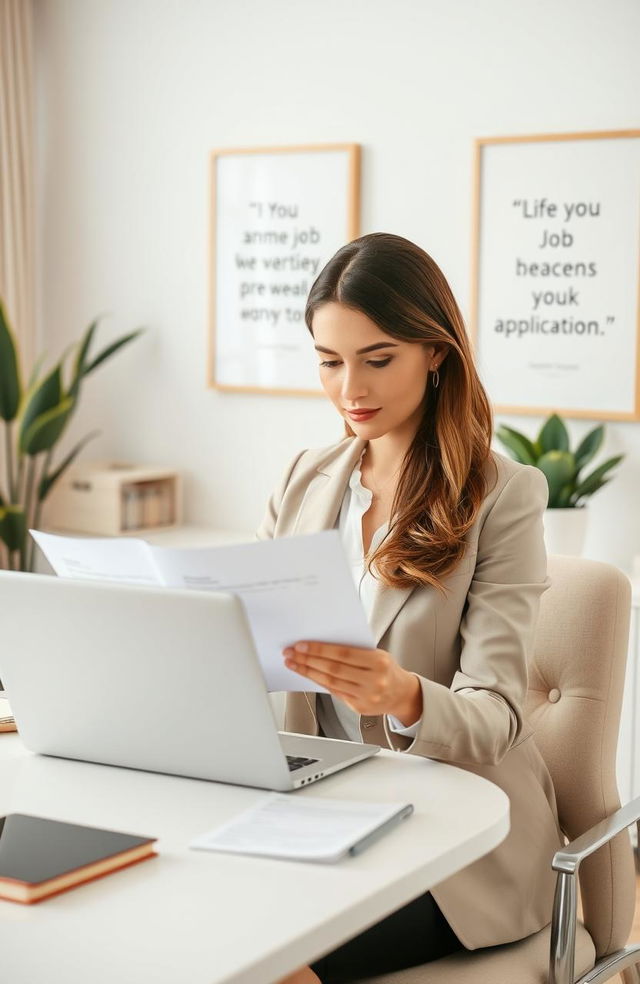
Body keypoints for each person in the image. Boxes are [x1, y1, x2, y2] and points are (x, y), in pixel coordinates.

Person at [256, 233, 563, 984]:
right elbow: (244, 645)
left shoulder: (503, 495)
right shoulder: (303, 480)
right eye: (330, 361)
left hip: (455, 845)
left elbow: (496, 715)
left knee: (267, 961)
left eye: (378, 357)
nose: (350, 387)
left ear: (435, 352)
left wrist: (401, 694)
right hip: (321, 810)